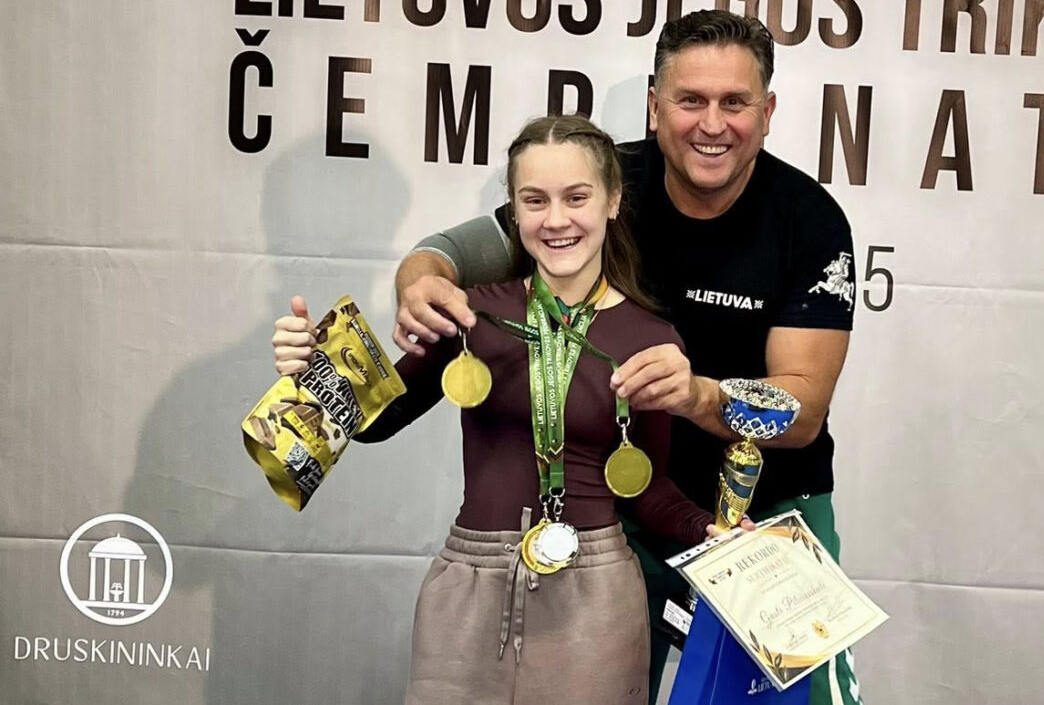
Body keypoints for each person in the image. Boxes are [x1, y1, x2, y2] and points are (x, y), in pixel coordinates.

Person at [390, 11, 864, 705]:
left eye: (734, 102)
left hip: (765, 514)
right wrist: (417, 281)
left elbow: (802, 411)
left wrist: (697, 394)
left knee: (803, 699)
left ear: (766, 113)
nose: (712, 124)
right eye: (690, 99)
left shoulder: (810, 220)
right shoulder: (601, 185)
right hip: (622, 513)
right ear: (653, 105)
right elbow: (453, 254)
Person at [270, 115, 740, 705]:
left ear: (614, 201)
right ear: (513, 212)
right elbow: (375, 421)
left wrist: (708, 529)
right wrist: (311, 368)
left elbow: (646, 487)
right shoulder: (470, 315)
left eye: (577, 198)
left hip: (597, 598)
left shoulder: (652, 338)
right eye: (535, 200)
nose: (557, 220)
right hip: (470, 587)